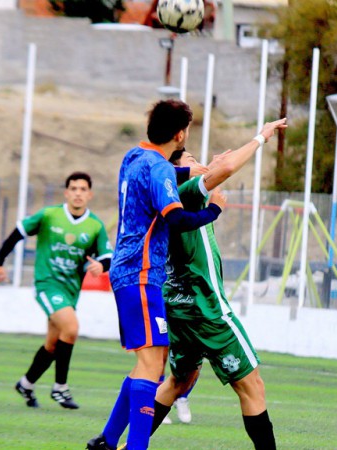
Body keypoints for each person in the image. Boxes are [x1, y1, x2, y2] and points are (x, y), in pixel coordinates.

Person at [87, 99, 227, 450]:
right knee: (153, 364)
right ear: (180, 134)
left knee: (149, 361)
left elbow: (151, 179)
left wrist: (185, 173)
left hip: (127, 271)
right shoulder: (160, 168)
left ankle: (106, 440)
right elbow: (176, 219)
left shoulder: (134, 156)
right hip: (142, 272)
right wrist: (214, 210)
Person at [150, 118, 287, 449]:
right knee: (252, 385)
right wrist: (260, 137)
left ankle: (129, 445)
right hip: (205, 307)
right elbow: (225, 169)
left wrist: (205, 170)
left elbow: (213, 171)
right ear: (176, 172)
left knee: (179, 381)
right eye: (190, 158)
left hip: (179, 306)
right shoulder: (184, 193)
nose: (197, 162)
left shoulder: (168, 197)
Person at [0, 171, 113, 409]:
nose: (78, 193)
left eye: (83, 189)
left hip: (70, 290)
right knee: (72, 327)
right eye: (74, 189)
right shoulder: (49, 215)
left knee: (53, 344)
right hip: (47, 284)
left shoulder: (95, 225)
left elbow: (107, 255)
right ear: (66, 193)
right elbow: (17, 234)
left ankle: (26, 383)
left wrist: (101, 264)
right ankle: (60, 388)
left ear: (90, 194)